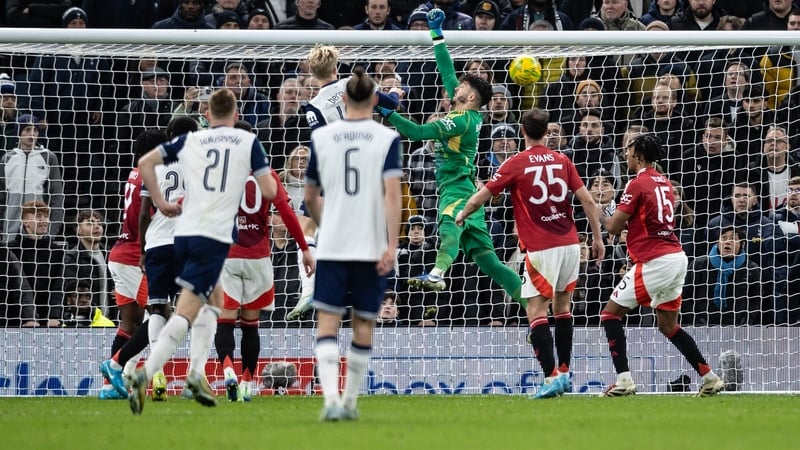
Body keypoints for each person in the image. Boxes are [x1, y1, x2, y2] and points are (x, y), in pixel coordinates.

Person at [126, 88, 277, 415]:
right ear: (236, 115)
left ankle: (196, 373)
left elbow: (145, 162)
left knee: (215, 302)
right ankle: (148, 374)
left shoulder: (193, 141)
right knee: (186, 311)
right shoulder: (247, 142)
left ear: (207, 114)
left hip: (183, 234)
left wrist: (162, 202)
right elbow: (268, 190)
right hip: (212, 234)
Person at [376, 9, 523, 307]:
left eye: (462, 87)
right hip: (468, 187)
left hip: (456, 188)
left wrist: (386, 110)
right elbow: (446, 70)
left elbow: (417, 133)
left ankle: (438, 272)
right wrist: (436, 33)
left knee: (448, 227)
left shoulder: (459, 122)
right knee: (490, 264)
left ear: (470, 97)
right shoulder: (467, 112)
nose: (455, 87)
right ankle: (533, 306)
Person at [456, 108, 605, 399]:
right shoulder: (563, 160)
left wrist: (462, 214)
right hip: (571, 244)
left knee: (536, 310)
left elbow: (483, 195)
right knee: (562, 308)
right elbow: (587, 200)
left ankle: (550, 377)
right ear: (547, 131)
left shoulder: (516, 163)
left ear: (521, 131)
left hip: (542, 247)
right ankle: (563, 371)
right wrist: (597, 238)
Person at [305, 67, 401, 421]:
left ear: (343, 99)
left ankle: (330, 399)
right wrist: (391, 245)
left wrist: (325, 222)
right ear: (375, 100)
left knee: (327, 322)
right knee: (363, 324)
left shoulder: (323, 138)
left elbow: (311, 195)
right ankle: (349, 401)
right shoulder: (386, 139)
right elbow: (393, 196)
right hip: (370, 244)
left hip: (332, 243)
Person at [597, 133, 724, 397]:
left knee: (610, 315)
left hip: (656, 260)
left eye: (629, 150)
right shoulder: (664, 183)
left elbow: (613, 226)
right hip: (676, 257)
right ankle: (709, 377)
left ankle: (623, 380)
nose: (626, 154)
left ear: (639, 155)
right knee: (668, 326)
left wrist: (590, 204)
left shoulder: (637, 183)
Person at [216, 121, 314, 403]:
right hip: (259, 257)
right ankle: (247, 382)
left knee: (224, 322)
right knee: (250, 325)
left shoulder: (220, 175)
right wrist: (304, 248)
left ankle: (228, 372)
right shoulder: (267, 175)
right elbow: (287, 211)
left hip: (228, 257)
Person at [98, 130, 163, 400]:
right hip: (137, 257)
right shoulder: (150, 176)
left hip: (119, 254)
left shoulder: (134, 174)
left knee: (130, 324)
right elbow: (145, 218)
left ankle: (109, 386)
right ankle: (127, 372)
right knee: (160, 314)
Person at [0, 114, 64, 243]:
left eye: (35, 130)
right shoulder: (7, 159)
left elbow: (57, 195)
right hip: (10, 230)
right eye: (27, 130)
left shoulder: (48, 157)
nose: (32, 134)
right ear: (19, 132)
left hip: (39, 232)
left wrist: (52, 232)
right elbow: (2, 197)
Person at [7, 199, 65, 327]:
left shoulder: (57, 251)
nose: (44, 220)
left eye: (46, 216)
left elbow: (59, 286)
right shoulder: (11, 250)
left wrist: (54, 316)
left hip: (48, 321)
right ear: (25, 221)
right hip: (15, 319)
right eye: (38, 216)